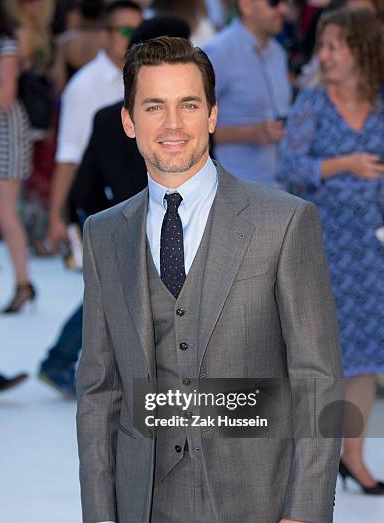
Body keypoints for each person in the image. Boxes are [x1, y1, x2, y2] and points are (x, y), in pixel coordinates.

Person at [76, 36, 344, 523]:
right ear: (128, 121)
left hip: (265, 510)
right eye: (154, 106)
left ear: (213, 114)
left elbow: (317, 376)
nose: (173, 123)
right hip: (149, 514)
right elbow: (99, 387)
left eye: (189, 104)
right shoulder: (104, 235)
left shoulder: (284, 222)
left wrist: (305, 512)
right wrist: (99, 517)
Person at [37, 15, 188, 399]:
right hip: (165, 222)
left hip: (132, 221)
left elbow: (84, 188)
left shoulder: (109, 118)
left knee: (113, 297)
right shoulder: (188, 118)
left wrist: (104, 216)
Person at [278, 9, 384, 494]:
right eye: (322, 46)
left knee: (364, 356)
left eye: (333, 46)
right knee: (316, 356)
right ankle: (310, 464)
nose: (323, 56)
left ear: (361, 49)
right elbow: (289, 166)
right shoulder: (313, 104)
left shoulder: (381, 104)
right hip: (319, 245)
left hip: (371, 250)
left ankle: (354, 458)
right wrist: (345, 164)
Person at [46, 0, 142, 250]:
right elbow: (69, 154)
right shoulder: (84, 87)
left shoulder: (149, 80)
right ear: (103, 34)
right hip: (105, 211)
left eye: (140, 30)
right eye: (125, 31)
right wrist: (56, 217)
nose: (134, 38)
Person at [204, 0, 292, 185]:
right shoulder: (218, 53)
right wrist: (250, 133)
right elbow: (190, 127)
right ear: (246, 5)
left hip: (278, 187)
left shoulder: (278, 53)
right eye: (273, 2)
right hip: (234, 188)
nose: (283, 9)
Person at [0, 0, 34, 314]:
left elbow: (6, 96)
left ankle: (23, 283)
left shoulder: (4, 43)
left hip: (6, 134)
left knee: (6, 213)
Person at [53, 0, 105, 95]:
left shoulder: (65, 42)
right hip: (97, 94)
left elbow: (59, 80)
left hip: (70, 93)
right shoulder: (105, 42)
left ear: (80, 13)